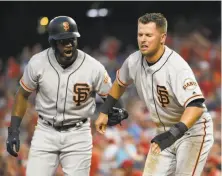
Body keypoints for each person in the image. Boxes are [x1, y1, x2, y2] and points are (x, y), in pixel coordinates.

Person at [95, 13, 214, 176]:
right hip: (163, 131)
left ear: (162, 37)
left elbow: (196, 106)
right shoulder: (133, 61)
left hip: (191, 132)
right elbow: (119, 84)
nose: (143, 39)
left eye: (149, 35)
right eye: (140, 34)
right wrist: (104, 111)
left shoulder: (177, 66)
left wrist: (173, 134)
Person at [6, 16, 114, 176]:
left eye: (72, 39)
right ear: (53, 43)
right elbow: (22, 95)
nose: (69, 44)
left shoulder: (93, 67)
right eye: (63, 41)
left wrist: (113, 111)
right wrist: (13, 130)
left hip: (78, 132)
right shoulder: (37, 63)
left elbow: (111, 98)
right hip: (46, 130)